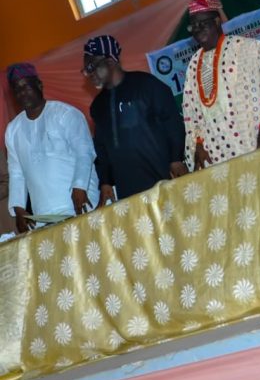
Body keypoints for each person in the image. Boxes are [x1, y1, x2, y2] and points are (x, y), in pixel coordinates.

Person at [181, 0, 260, 171]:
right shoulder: (193, 65)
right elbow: (192, 110)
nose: (197, 29)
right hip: (216, 149)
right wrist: (199, 144)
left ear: (217, 21)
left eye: (202, 23)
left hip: (252, 137)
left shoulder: (244, 48)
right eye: (193, 25)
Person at [83, 35, 187, 205]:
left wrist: (176, 158)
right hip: (128, 191)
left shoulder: (146, 85)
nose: (88, 74)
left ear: (110, 61)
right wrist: (105, 181)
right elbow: (101, 148)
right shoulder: (98, 106)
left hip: (164, 178)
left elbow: (172, 122)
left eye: (91, 66)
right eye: (86, 70)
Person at [5, 63, 99, 233]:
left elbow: (84, 152)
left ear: (39, 85)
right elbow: (16, 173)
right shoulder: (13, 130)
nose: (22, 93)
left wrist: (79, 187)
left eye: (26, 87)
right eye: (17, 90)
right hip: (44, 215)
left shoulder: (66, 113)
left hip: (79, 204)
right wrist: (19, 210)